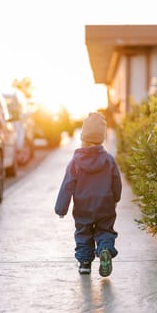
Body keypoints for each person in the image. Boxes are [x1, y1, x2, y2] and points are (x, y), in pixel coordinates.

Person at [54, 112, 122, 277]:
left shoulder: (76, 162)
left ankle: (85, 263)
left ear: (83, 138)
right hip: (105, 205)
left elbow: (67, 185)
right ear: (101, 138)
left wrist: (61, 208)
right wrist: (116, 197)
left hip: (83, 207)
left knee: (83, 231)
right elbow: (116, 182)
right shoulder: (108, 160)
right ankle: (105, 248)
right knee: (105, 229)